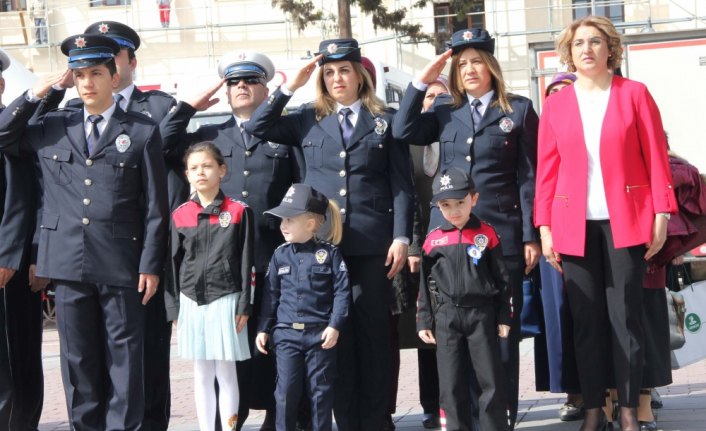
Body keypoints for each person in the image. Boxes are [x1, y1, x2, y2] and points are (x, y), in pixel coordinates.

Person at [0, 34, 170, 430]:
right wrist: (40, 93)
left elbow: (154, 207)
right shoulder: (53, 125)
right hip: (68, 262)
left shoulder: (142, 131)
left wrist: (150, 264)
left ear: (115, 76)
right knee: (78, 361)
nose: (87, 82)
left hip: (121, 262)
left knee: (124, 360)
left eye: (96, 73)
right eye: (79, 75)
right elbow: (3, 135)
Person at [244, 38, 414, 431]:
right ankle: (345, 418)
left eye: (345, 70)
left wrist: (402, 236)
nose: (338, 78)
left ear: (360, 75)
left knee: (372, 334)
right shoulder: (307, 118)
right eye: (330, 72)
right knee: (334, 336)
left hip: (373, 244)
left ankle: (377, 419)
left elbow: (401, 185)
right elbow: (257, 125)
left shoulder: (384, 121)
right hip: (322, 246)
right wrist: (290, 86)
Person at [392, 27, 540, 429]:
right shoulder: (443, 110)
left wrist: (531, 235)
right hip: (450, 241)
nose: (470, 69)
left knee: (501, 336)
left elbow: (529, 178)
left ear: (491, 65)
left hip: (502, 237)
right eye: (462, 63)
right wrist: (422, 80)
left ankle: (500, 420)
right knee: (455, 338)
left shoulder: (519, 110)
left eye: (477, 61)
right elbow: (402, 130)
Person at [535, 15, 677, 431]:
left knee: (625, 321)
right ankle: (594, 410)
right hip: (572, 226)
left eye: (595, 42)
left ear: (610, 49)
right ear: (569, 52)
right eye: (579, 43)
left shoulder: (634, 94)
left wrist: (662, 213)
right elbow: (546, 169)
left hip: (625, 222)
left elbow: (656, 156)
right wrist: (544, 227)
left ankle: (630, 410)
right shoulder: (557, 104)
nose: (587, 50)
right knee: (585, 323)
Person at [162, 50, 305, 431]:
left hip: (276, 255)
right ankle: (232, 419)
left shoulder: (283, 133)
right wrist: (188, 107)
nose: (242, 87)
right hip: (224, 266)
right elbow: (162, 144)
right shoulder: (211, 135)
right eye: (234, 82)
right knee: (230, 348)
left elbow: (301, 188)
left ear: (266, 87)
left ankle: (279, 417)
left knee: (278, 341)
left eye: (251, 80)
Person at [417, 167, 511, 431]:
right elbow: (425, 285)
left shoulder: (487, 234)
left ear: (474, 199)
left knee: (489, 380)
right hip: (447, 317)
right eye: (446, 205)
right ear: (437, 206)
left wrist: (504, 315)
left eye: (460, 202)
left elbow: (503, 280)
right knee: (450, 382)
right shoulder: (433, 241)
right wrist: (424, 318)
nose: (454, 210)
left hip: (481, 315)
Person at [170, 141, 253, 431]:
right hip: (192, 300)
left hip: (227, 299)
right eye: (193, 168)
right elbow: (173, 263)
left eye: (207, 165)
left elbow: (246, 261)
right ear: (186, 175)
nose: (200, 172)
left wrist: (245, 303)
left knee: (226, 370)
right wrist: (175, 309)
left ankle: (230, 428)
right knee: (201, 372)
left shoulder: (239, 211)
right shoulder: (180, 214)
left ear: (222, 170)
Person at [255, 183, 351, 431]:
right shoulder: (280, 255)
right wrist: (263, 328)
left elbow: (342, 292)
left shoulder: (329, 254)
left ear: (310, 223)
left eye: (289, 219)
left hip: (320, 335)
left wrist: (335, 325)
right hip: (287, 334)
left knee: (320, 393)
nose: (282, 225)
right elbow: (271, 295)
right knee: (285, 392)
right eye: (282, 220)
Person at [533, 71, 584, 423]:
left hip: (591, 232)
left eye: (564, 91)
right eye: (551, 93)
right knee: (560, 318)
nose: (558, 98)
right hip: (553, 237)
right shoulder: (541, 133)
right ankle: (573, 392)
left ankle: (626, 388)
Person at [0, 48, 45, 431]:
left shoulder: (12, 132)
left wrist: (13, 255)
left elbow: (22, 201)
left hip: (6, 267)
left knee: (14, 359)